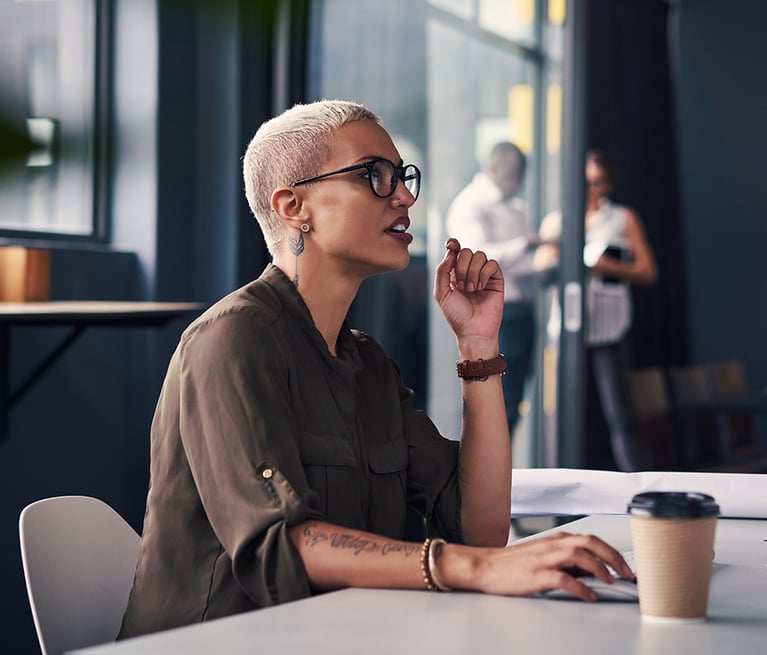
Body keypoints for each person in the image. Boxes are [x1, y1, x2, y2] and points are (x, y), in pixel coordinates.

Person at [118, 102, 634, 639]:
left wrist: (478, 347)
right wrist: (468, 568)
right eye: (375, 176)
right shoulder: (230, 339)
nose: (406, 196)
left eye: (404, 177)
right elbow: (279, 547)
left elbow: (479, 531)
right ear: (295, 205)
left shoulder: (367, 365)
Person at [536, 149, 658, 471]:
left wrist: (612, 267)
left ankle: (634, 484)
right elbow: (541, 272)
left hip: (608, 324)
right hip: (567, 325)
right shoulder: (557, 221)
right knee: (562, 412)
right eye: (587, 182)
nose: (593, 188)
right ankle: (559, 479)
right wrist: (566, 262)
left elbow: (647, 271)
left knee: (620, 413)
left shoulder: (622, 218)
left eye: (600, 182)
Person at [446, 142, 540, 439]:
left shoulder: (516, 207)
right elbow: (476, 259)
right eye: (515, 173)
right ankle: (487, 477)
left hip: (522, 312)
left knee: (513, 399)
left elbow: (523, 264)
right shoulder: (471, 204)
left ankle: (501, 476)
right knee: (494, 397)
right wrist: (525, 245)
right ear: (497, 168)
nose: (519, 180)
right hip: (494, 315)